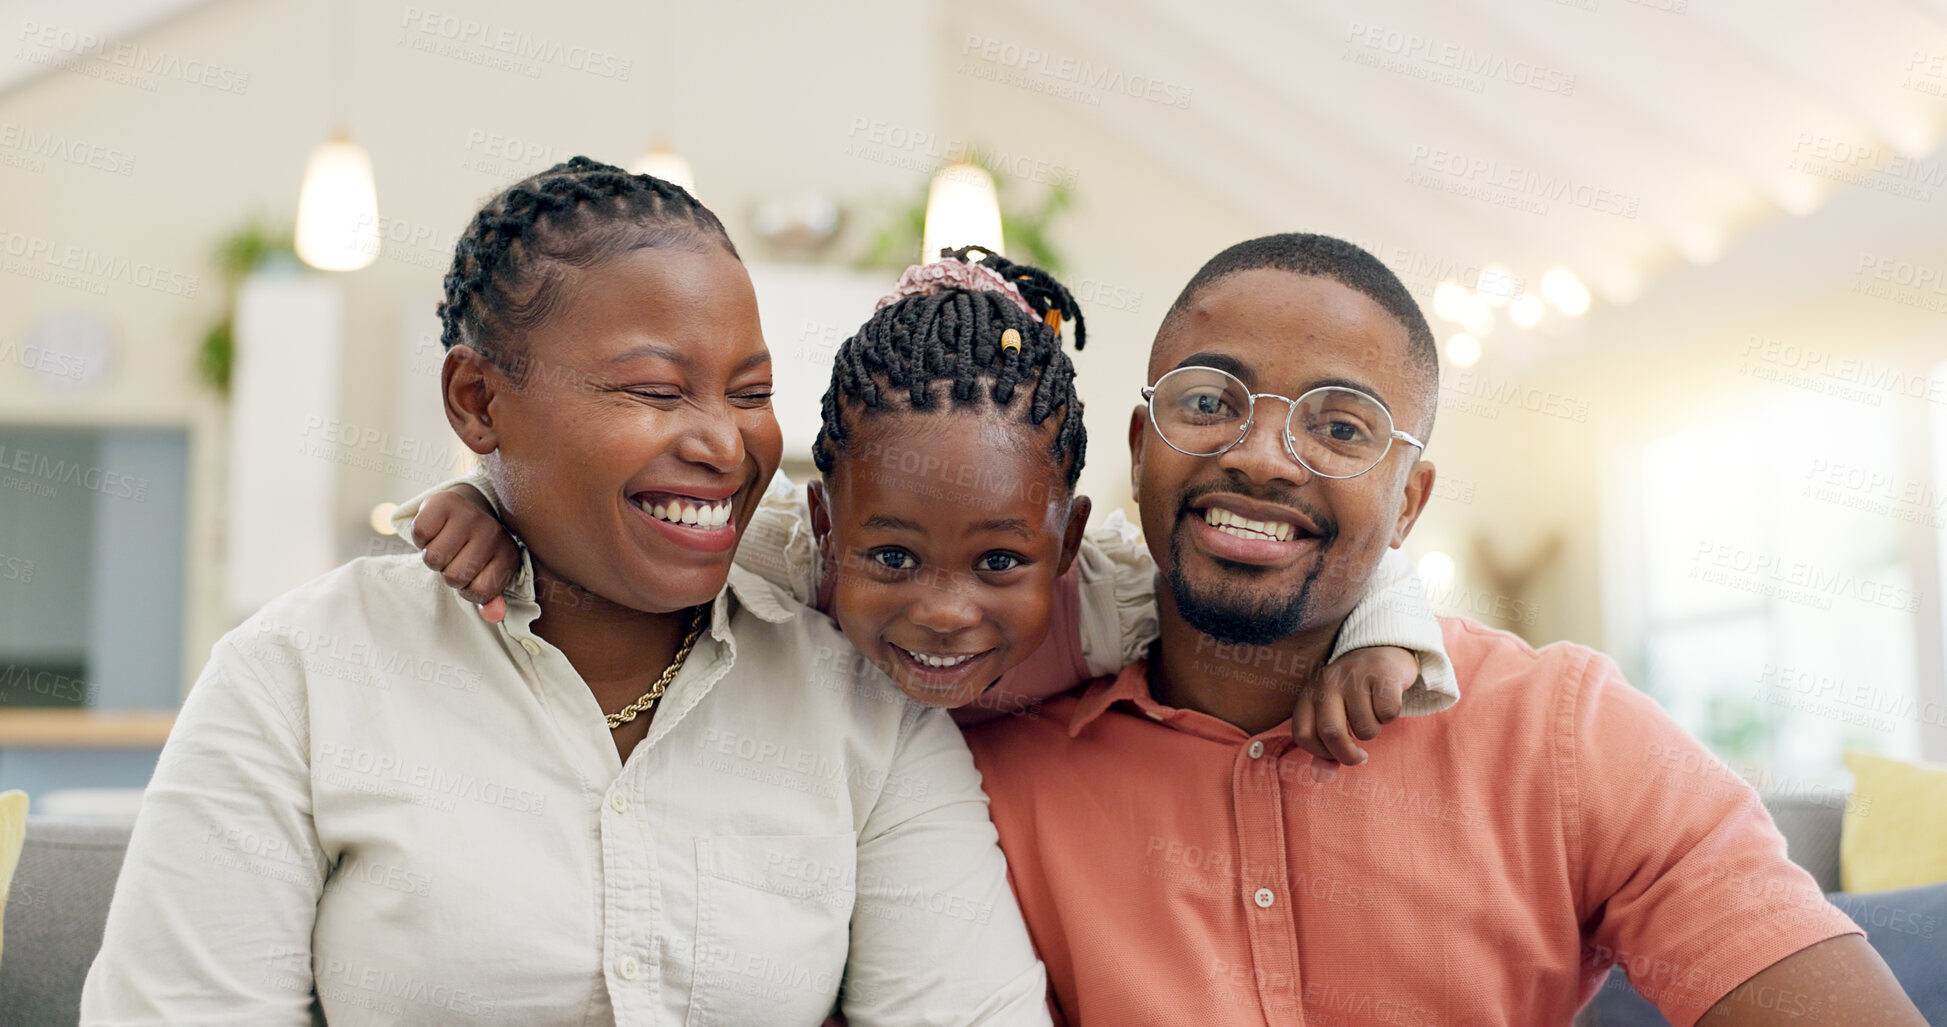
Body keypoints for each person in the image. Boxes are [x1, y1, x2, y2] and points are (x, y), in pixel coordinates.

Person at [80, 158, 1050, 1025]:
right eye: (655, 392)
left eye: (750, 394)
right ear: (478, 401)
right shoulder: (298, 674)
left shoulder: (863, 703)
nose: (724, 442)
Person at [961, 233, 1927, 1026]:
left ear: (1408, 501)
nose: (1260, 456)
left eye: (1341, 428)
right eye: (1208, 403)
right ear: (1140, 449)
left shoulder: (1564, 733)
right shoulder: (978, 768)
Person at [402, 247, 1459, 768]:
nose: (945, 612)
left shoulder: (1104, 599)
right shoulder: (776, 557)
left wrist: (1380, 634)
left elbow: (1291, 561)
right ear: (823, 529)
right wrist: (490, 503)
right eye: (893, 558)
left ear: (1067, 544)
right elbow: (623, 521)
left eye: (999, 564)